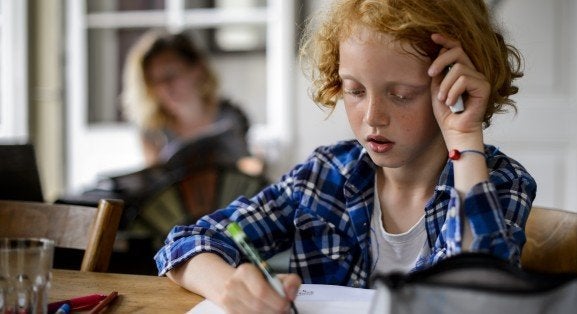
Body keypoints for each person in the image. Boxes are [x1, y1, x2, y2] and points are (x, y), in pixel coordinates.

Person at [155, 0, 537, 312]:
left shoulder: (500, 183)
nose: (372, 117)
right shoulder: (325, 176)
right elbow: (187, 241)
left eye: (401, 94)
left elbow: (486, 297)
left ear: (455, 87)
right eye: (355, 91)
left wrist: (464, 136)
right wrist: (231, 289)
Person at [121, 29, 263, 176]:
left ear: (197, 69)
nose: (165, 87)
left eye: (171, 75)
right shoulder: (152, 129)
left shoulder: (231, 116)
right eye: (155, 81)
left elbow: (248, 169)